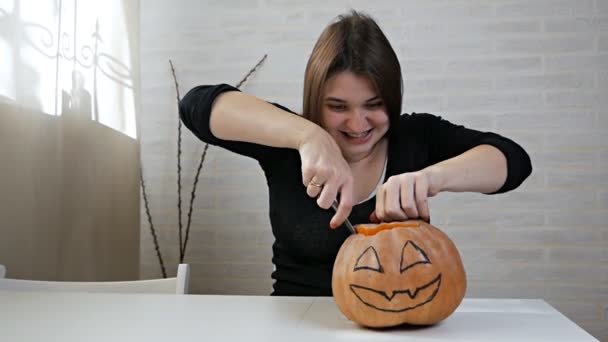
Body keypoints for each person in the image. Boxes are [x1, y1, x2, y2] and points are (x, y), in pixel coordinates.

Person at [179, 11, 532, 296]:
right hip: (295, 324)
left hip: (400, 324)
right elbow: (195, 106)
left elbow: (513, 161)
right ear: (316, 101)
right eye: (337, 107)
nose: (357, 123)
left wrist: (431, 178)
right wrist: (308, 136)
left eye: (374, 105)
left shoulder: (415, 136)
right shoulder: (287, 142)